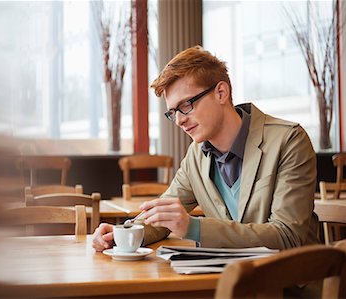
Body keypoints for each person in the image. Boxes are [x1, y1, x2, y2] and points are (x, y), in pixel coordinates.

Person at [92, 45, 319, 252]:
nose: (179, 120)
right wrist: (122, 234)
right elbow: (164, 215)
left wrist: (194, 228)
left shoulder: (289, 140)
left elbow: (288, 236)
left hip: (288, 287)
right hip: (227, 282)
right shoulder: (196, 154)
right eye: (173, 113)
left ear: (221, 93)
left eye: (186, 105)